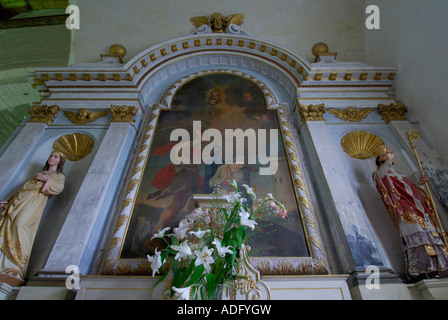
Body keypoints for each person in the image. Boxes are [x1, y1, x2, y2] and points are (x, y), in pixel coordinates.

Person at [372, 145, 448, 281]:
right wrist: (388, 162)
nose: (389, 155)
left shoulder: (399, 174)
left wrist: (419, 182)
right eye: (385, 154)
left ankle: (439, 265)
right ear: (379, 159)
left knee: (430, 233)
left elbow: (412, 189)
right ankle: (421, 269)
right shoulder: (379, 174)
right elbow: (381, 177)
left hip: (417, 207)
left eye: (389, 153)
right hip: (403, 209)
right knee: (416, 235)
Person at [0, 151, 65, 286]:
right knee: (9, 225)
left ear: (60, 162)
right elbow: (22, 189)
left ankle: (16, 265)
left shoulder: (58, 176)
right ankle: (4, 264)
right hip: (19, 200)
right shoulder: (38, 174)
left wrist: (46, 180)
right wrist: (9, 200)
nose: (51, 158)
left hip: (34, 201)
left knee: (20, 225)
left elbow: (58, 188)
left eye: (56, 157)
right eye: (51, 155)